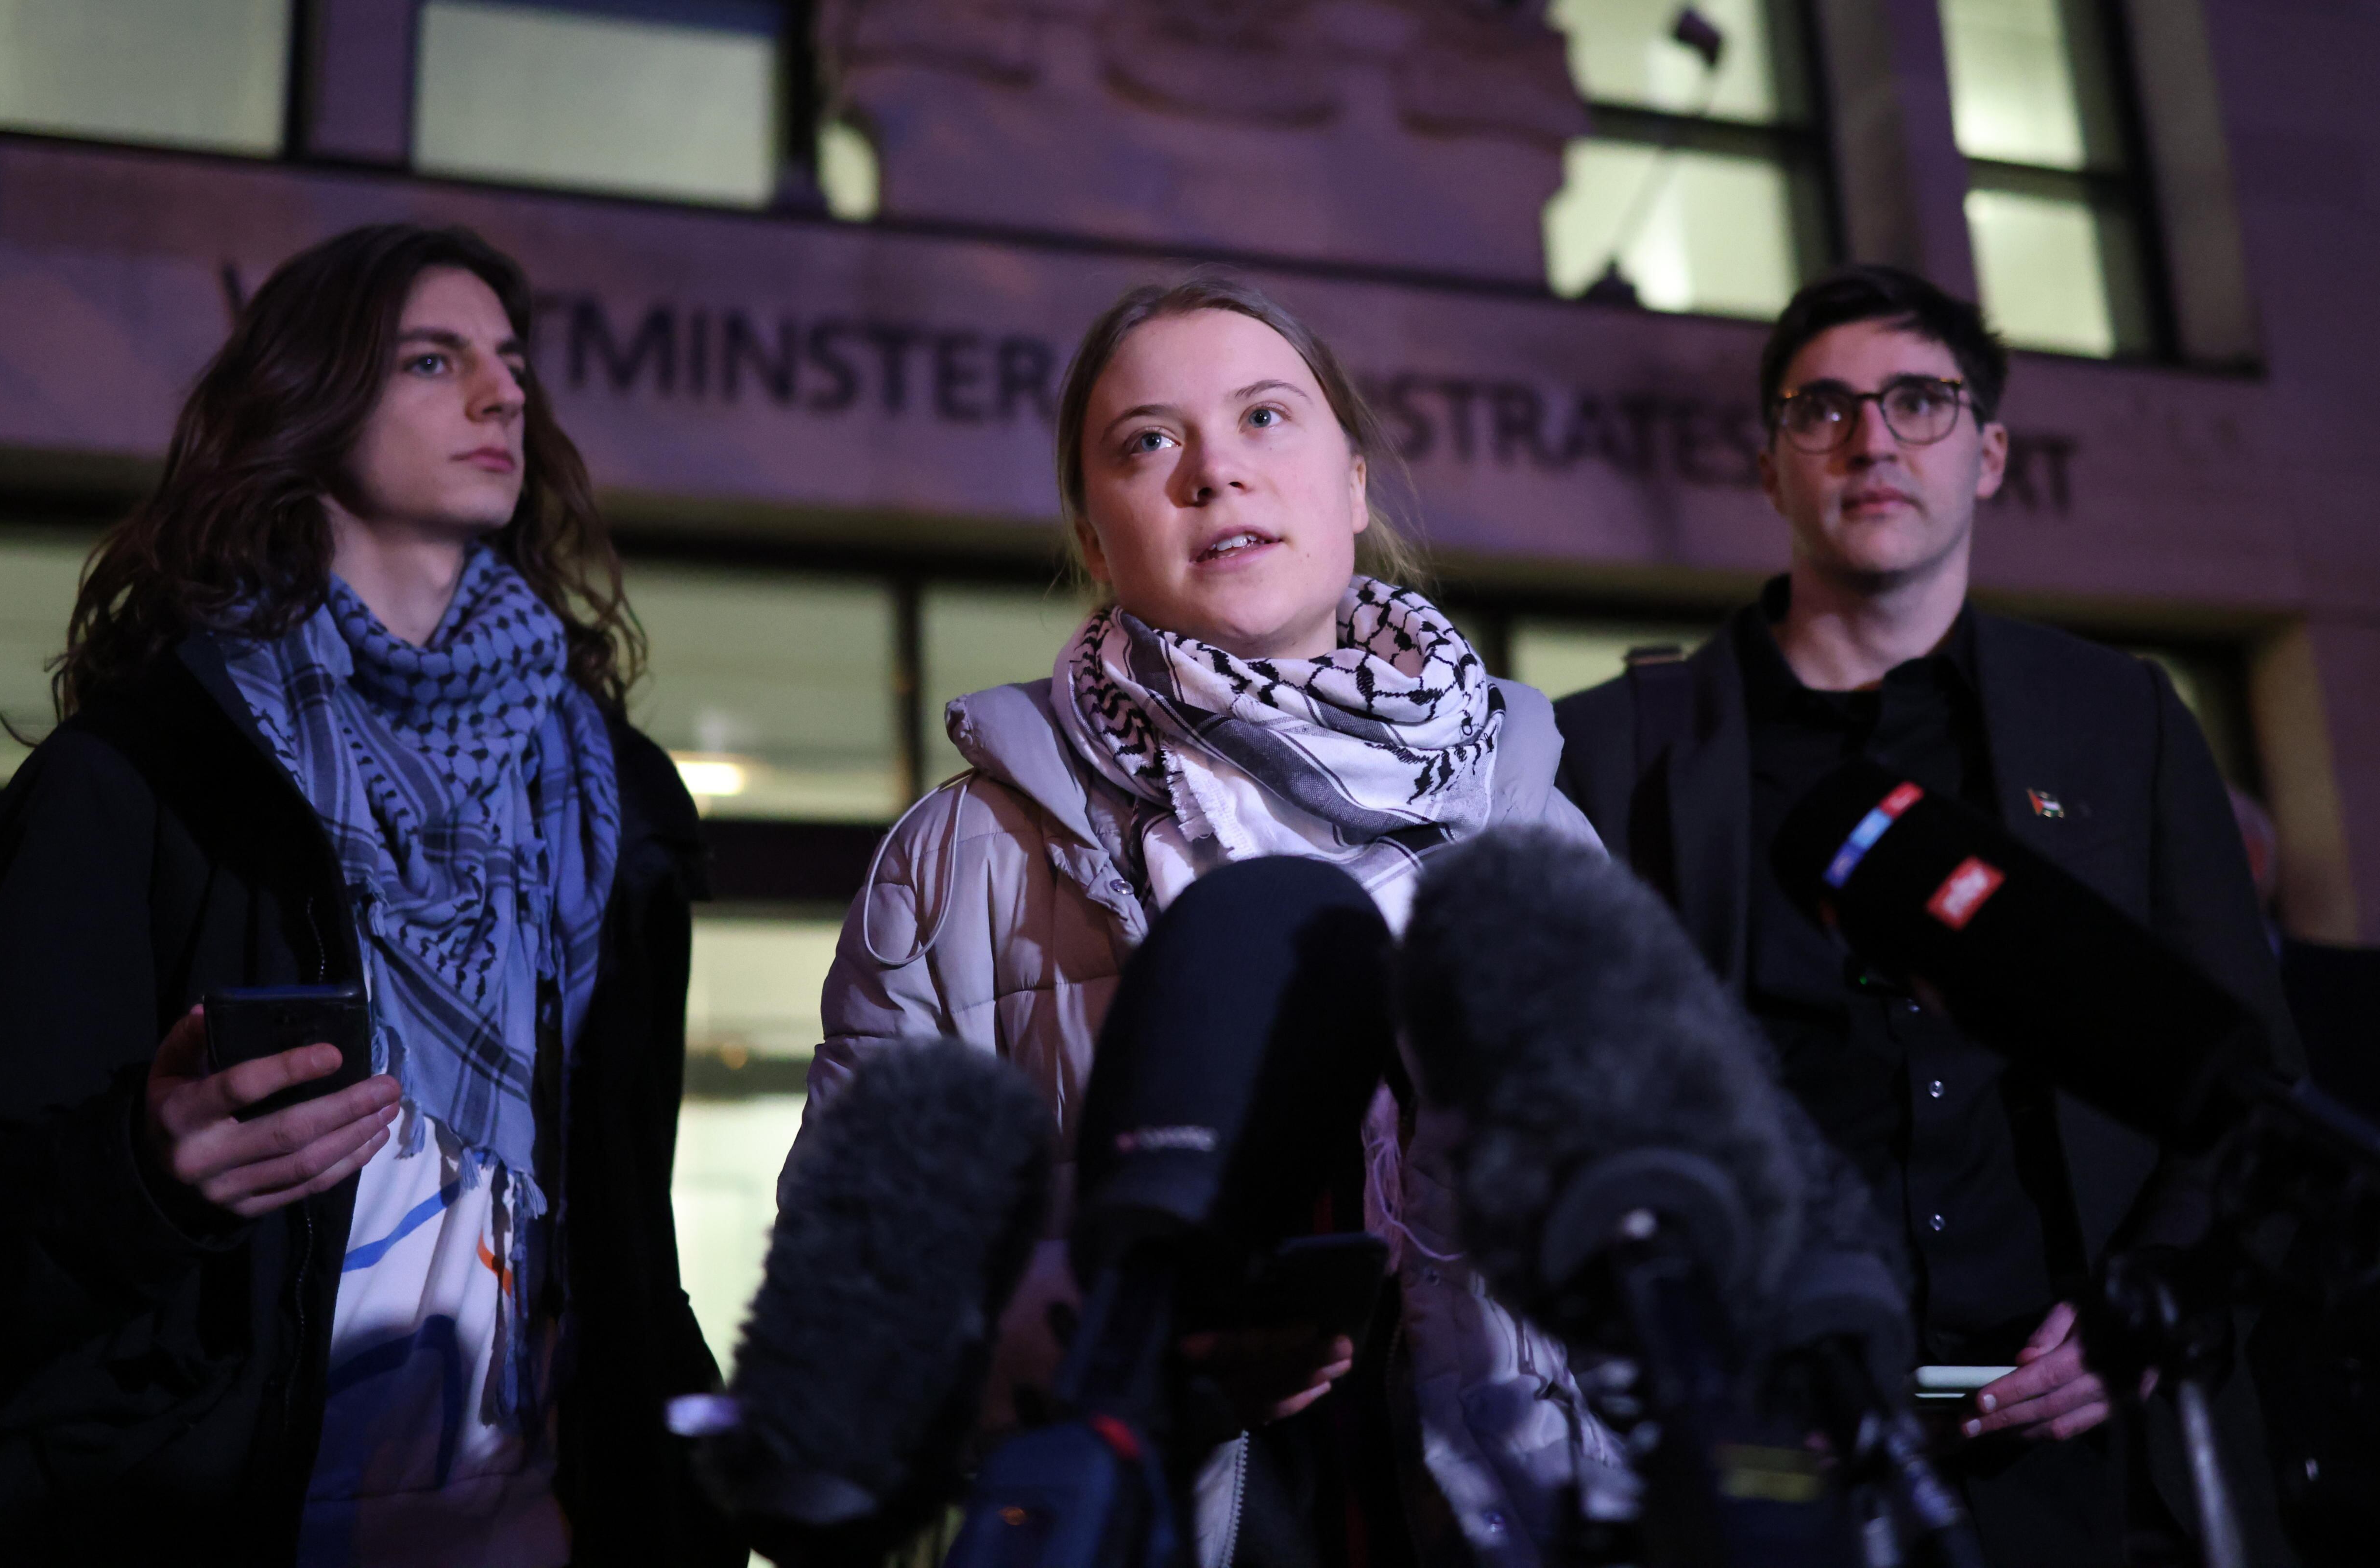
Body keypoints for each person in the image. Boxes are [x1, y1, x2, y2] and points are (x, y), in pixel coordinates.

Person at [0, 224, 739, 1567]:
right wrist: (147, 1177)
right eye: (434, 361)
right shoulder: (148, 776)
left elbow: (622, 1235)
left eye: (511, 363)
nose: (503, 395)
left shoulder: (610, 801)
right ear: (307, 404)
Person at [806, 275, 1618, 1567]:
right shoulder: (966, 857)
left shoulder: (1536, 826)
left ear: (1353, 485)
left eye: (1265, 418)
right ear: (1095, 527)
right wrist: (1134, 1354)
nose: (1215, 474)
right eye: (1149, 441)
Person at [1553, 263, 2303, 1565]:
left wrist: (2150, 1303)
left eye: (1919, 402)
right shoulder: (1616, 750)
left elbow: (2253, 1085)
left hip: (2097, 1463)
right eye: (1823, 409)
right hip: (1773, 1460)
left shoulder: (2119, 718)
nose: (1872, 440)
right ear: (1770, 464)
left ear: (1991, 452)